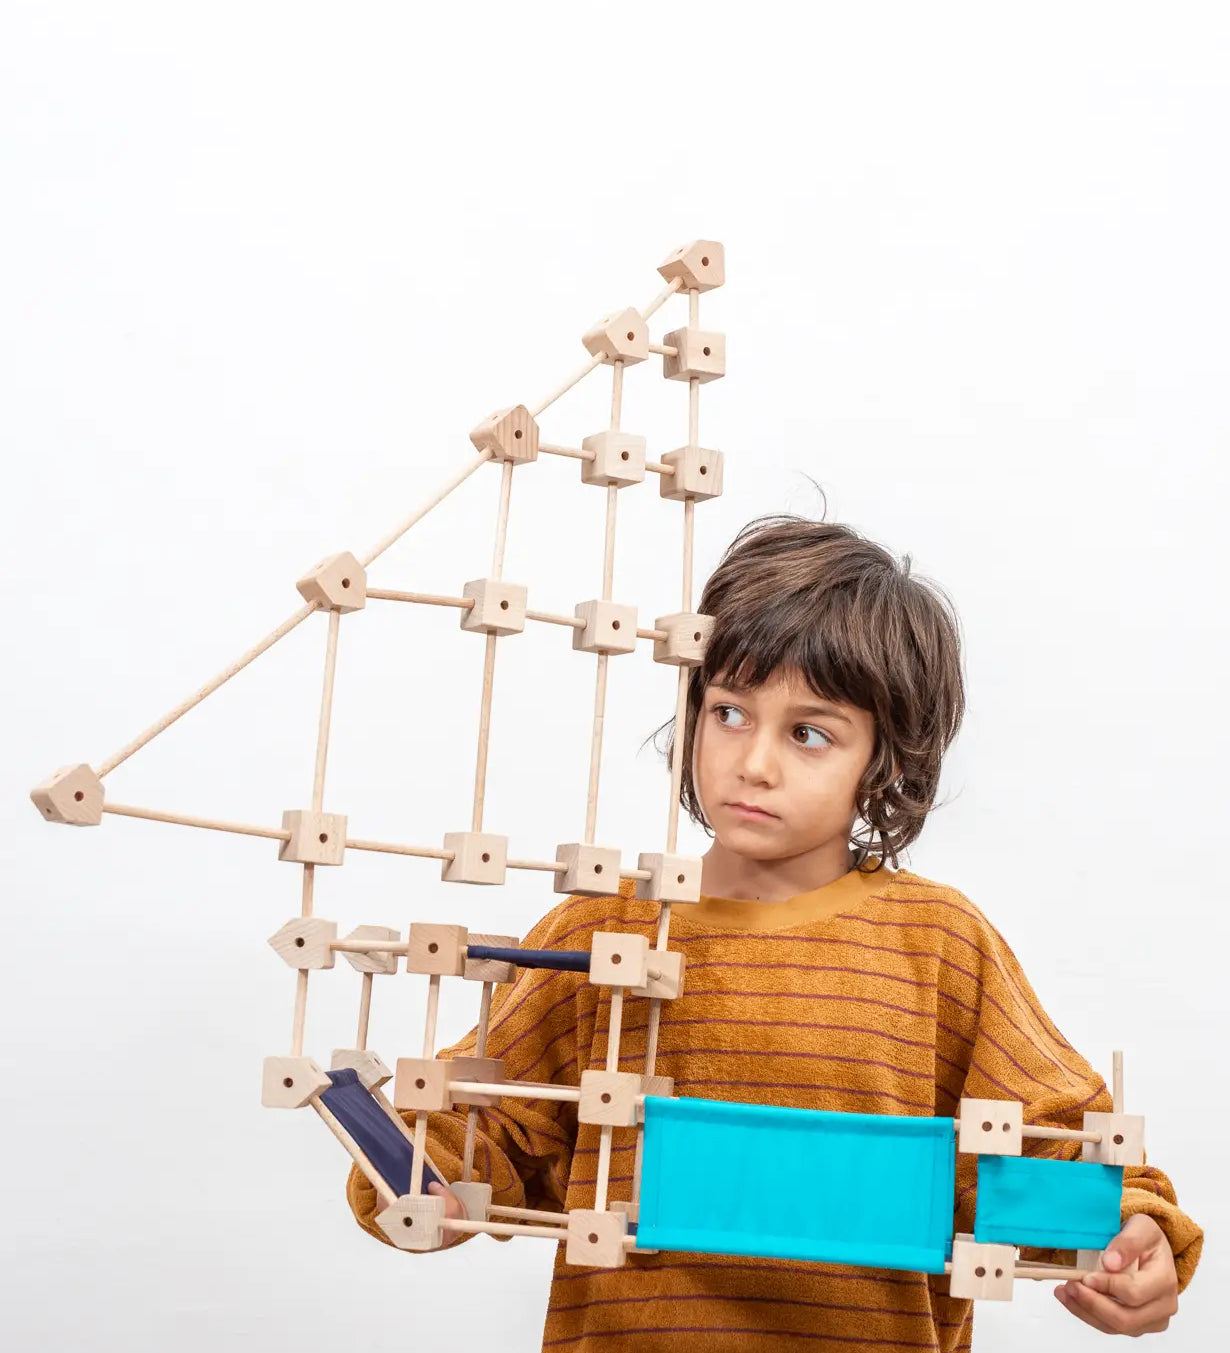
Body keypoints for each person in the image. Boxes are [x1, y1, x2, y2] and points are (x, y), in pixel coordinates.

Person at [345, 515, 1202, 1350]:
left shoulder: (940, 944)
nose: (754, 762)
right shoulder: (605, 931)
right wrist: (417, 1177)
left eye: (809, 733)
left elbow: (1044, 1153)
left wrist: (1134, 1237)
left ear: (884, 759)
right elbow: (491, 1129)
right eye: (729, 712)